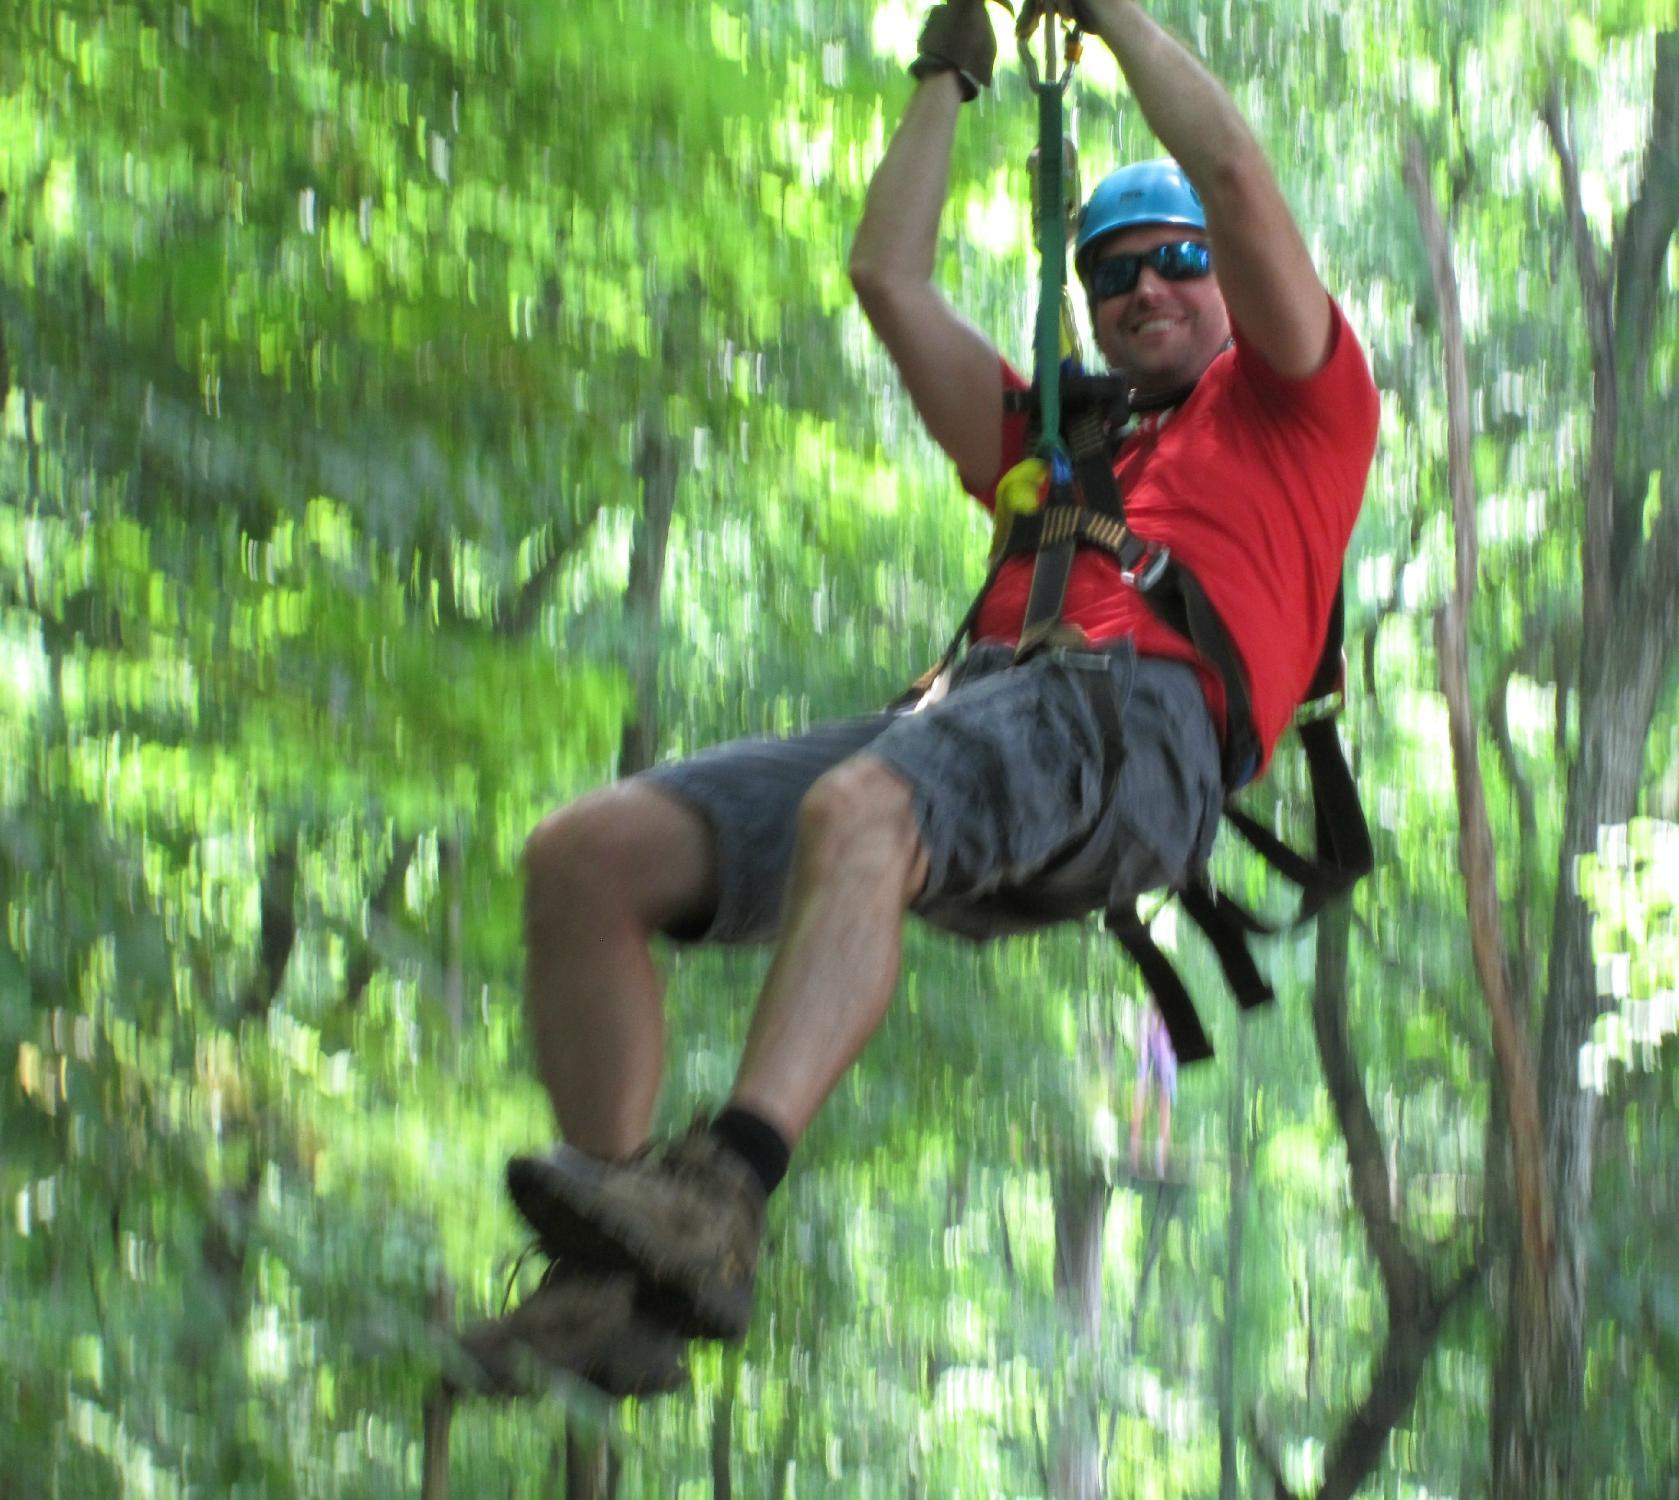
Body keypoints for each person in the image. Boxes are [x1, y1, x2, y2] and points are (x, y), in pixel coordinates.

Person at [456, 0, 1378, 1396]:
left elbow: (1243, 180)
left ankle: (724, 1197)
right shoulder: (1058, 444)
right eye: (1113, 272)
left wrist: (1111, 16)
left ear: (1227, 278)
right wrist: (948, 70)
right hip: (984, 720)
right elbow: (888, 280)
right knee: (585, 860)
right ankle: (614, 1282)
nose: (1147, 290)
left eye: (1180, 262)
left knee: (864, 805)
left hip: (1144, 726)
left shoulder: (1300, 399)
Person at [1130, 1002, 1177, 1177]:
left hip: (1166, 1060)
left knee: (1164, 1105)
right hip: (1152, 1058)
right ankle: (1135, 1158)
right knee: (1140, 1101)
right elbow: (1141, 1053)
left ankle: (1160, 1164)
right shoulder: (1145, 1014)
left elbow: (1167, 1056)